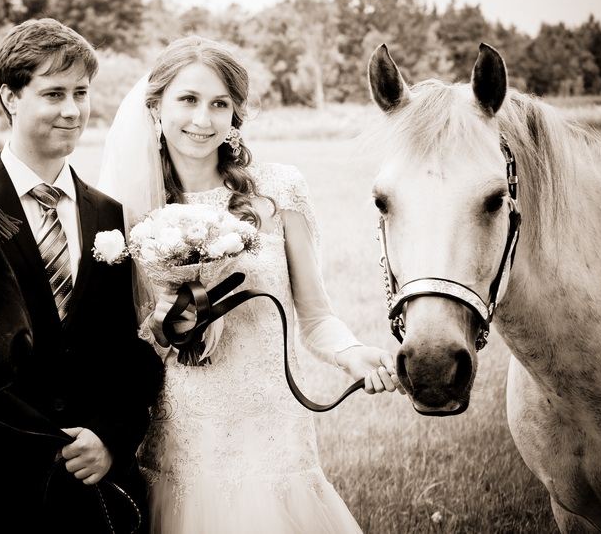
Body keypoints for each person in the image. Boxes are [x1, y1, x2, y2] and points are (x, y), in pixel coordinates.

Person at [98, 35, 405, 534]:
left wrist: (351, 352)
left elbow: (316, 316)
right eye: (188, 100)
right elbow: (121, 342)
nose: (203, 119)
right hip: (184, 430)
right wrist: (162, 328)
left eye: (220, 104)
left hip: (272, 429)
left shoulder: (278, 191)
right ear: (155, 108)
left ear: (236, 115)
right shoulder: (128, 211)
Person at [0, 19, 163, 533]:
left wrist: (110, 437)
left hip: (88, 478)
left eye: (81, 92)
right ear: (10, 96)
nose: (73, 110)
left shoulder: (108, 214)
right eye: (54, 93)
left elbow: (125, 351)